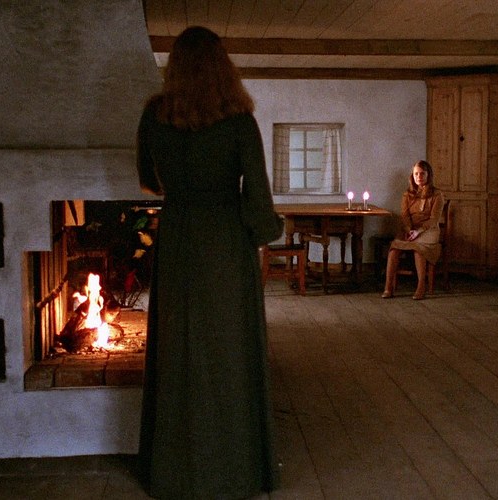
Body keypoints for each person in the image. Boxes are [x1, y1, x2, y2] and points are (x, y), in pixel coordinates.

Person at [135, 26, 283, 499]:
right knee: (229, 351)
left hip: (178, 237)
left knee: (178, 349)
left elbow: (148, 179)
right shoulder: (239, 121)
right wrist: (269, 231)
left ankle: (175, 472)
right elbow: (258, 199)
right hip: (225, 243)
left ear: (175, 66)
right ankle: (233, 472)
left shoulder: (154, 116)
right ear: (223, 66)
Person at [381, 160, 445, 300]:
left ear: (428, 175)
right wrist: (409, 229)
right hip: (410, 229)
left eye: (422, 173)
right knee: (394, 249)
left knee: (418, 249)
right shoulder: (407, 194)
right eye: (416, 174)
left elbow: (434, 219)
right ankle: (388, 287)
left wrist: (419, 231)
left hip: (428, 231)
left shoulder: (437, 195)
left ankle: (421, 287)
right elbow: (405, 216)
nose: (419, 177)